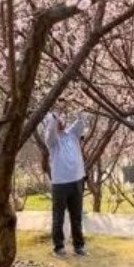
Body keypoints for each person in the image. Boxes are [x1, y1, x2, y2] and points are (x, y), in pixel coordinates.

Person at [39, 109, 89, 256]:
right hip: (60, 183)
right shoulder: (52, 141)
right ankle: (59, 247)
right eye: (57, 120)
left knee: (76, 216)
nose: (60, 122)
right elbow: (50, 131)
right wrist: (55, 114)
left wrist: (80, 107)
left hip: (77, 180)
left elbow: (81, 122)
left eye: (62, 119)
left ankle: (79, 246)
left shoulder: (72, 134)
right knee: (58, 216)